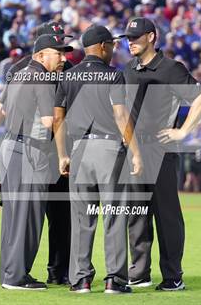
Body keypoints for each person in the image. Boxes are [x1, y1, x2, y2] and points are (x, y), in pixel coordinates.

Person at [120, 17, 201, 291]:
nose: (130, 42)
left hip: (161, 149)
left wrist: (182, 131)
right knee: (136, 214)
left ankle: (173, 276)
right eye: (128, 38)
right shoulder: (128, 70)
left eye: (135, 37)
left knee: (167, 215)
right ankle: (140, 272)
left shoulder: (171, 68)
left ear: (151, 37)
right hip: (134, 149)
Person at [53, 25, 143, 294]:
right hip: (108, 149)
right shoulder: (113, 76)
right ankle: (114, 280)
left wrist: (62, 155)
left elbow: (58, 118)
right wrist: (136, 152)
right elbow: (120, 116)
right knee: (114, 216)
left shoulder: (68, 77)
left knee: (82, 218)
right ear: (103, 46)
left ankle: (80, 279)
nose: (115, 49)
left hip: (79, 151)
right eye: (112, 45)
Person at [0, 34, 73, 290]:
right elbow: (49, 121)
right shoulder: (42, 77)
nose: (64, 58)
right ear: (41, 55)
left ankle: (9, 273)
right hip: (30, 149)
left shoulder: (17, 74)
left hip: (10, 144)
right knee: (28, 216)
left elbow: (4, 109)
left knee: (13, 217)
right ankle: (17, 276)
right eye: (59, 53)